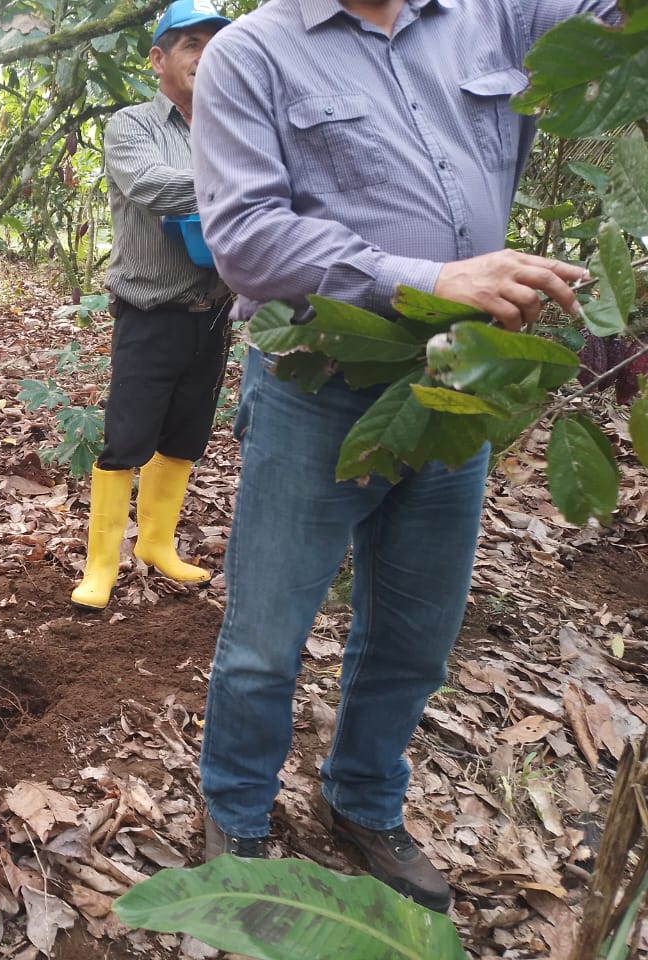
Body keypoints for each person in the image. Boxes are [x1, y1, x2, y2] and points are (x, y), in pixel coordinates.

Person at [191, 0, 618, 912]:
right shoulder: (251, 53)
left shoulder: (494, 15)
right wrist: (429, 279)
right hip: (316, 380)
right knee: (266, 637)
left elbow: (611, 25)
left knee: (417, 635)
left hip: (459, 380)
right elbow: (248, 240)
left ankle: (362, 800)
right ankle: (236, 808)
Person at [71, 0, 233, 611]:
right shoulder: (132, 125)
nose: (205, 56)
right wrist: (239, 183)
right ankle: (101, 564)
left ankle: (157, 543)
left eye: (215, 44)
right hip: (150, 311)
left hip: (214, 313)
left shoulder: (234, 124)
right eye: (191, 44)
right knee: (127, 437)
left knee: (187, 434)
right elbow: (151, 185)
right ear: (159, 58)